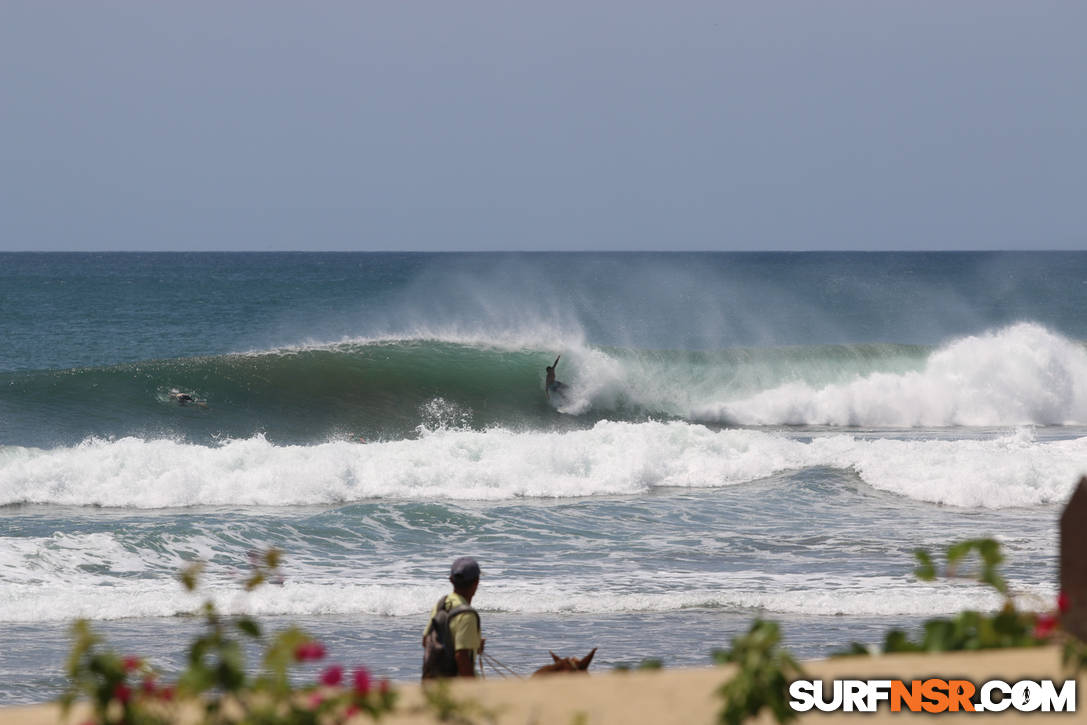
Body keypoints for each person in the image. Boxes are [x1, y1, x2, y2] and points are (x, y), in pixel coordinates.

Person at [422, 556, 484, 677]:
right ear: (476, 582)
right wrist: (473, 689)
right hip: (457, 684)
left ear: (451, 580)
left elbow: (426, 641)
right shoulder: (467, 614)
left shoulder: (442, 604)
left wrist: (474, 644)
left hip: (437, 680)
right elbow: (461, 656)